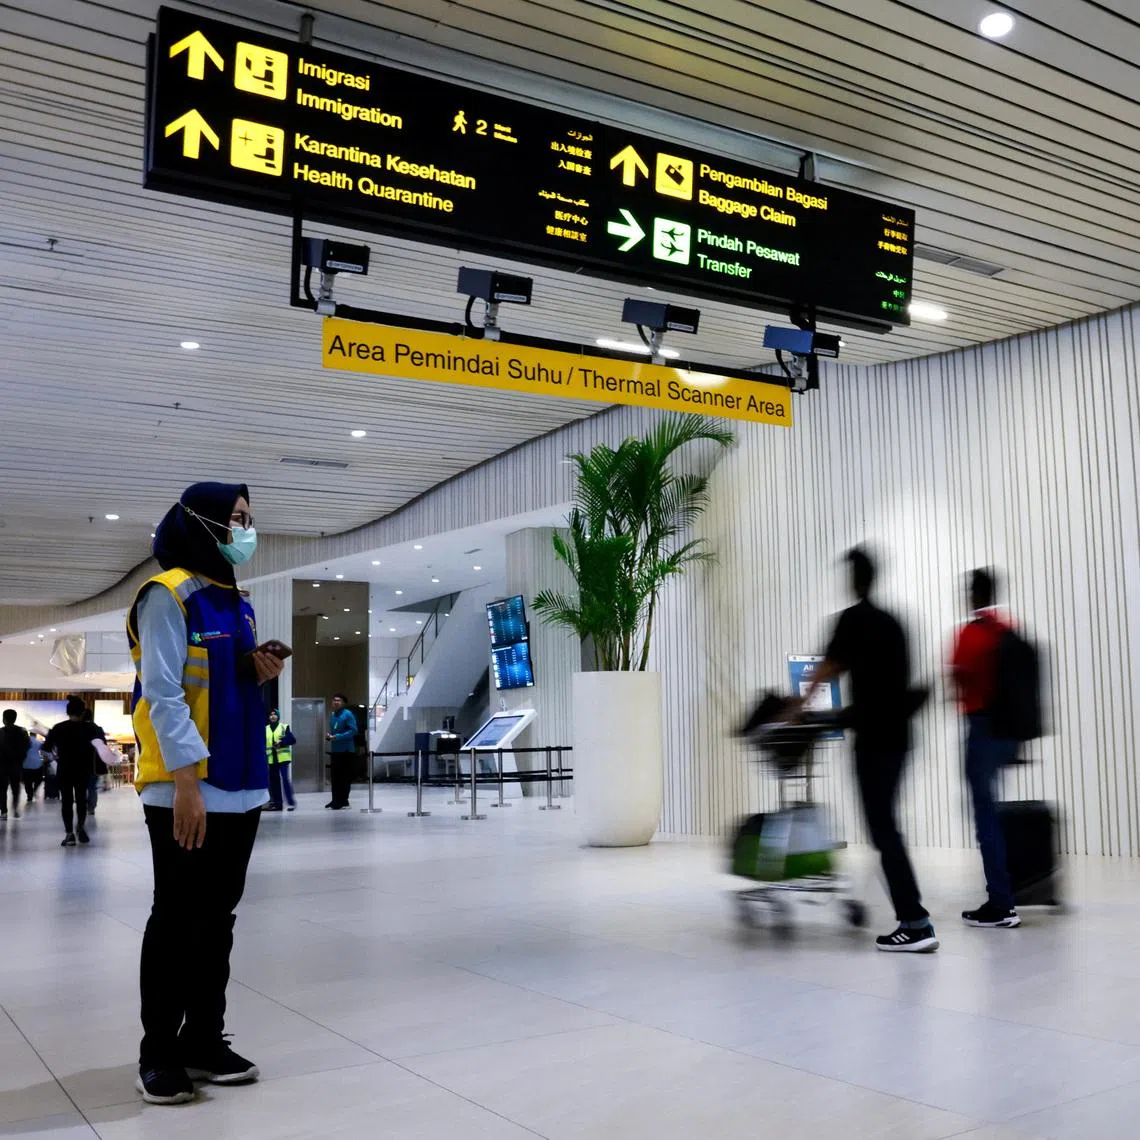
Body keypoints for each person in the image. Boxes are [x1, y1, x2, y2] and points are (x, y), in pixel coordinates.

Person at [128, 481, 283, 1105]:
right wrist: (187, 781)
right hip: (185, 789)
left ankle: (204, 1038)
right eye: (236, 519)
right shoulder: (167, 596)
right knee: (177, 919)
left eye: (249, 518)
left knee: (217, 920)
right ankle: (159, 1052)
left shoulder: (236, 601)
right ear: (200, 524)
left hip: (240, 784)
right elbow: (163, 693)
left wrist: (256, 668)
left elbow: (221, 680)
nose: (246, 529)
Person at [803, 548, 937, 952]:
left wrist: (798, 707)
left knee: (884, 831)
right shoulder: (894, 622)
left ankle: (915, 923)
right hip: (900, 737)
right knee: (887, 828)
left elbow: (827, 668)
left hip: (874, 741)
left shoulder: (852, 620)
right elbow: (890, 683)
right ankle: (915, 918)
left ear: (853, 579)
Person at [950, 568, 1021, 929]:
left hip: (981, 729)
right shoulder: (1009, 629)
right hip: (1008, 733)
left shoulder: (969, 634)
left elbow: (958, 678)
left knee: (985, 819)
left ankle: (1002, 904)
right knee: (994, 815)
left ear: (975, 594)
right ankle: (1005, 895)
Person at [44, 697, 103, 845]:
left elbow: (46, 748)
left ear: (67, 712)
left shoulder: (58, 728)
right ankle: (80, 827)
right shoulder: (92, 729)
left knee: (67, 801)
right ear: (83, 712)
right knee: (81, 799)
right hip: (84, 769)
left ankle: (69, 834)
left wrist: (56, 754)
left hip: (64, 769)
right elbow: (102, 747)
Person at [326, 693, 357, 810]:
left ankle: (343, 800)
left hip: (346, 750)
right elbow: (334, 730)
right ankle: (335, 800)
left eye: (338, 700)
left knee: (344, 777)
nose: (336, 702)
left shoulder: (348, 714)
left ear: (343, 703)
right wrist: (330, 736)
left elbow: (353, 731)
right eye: (334, 700)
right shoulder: (333, 715)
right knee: (335, 777)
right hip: (336, 750)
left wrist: (337, 737)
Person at [265, 709, 297, 812]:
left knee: (285, 780)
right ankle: (278, 804)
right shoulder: (265, 729)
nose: (273, 716)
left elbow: (292, 739)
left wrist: (281, 742)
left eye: (275, 714)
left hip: (283, 759)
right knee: (274, 782)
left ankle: (291, 803)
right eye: (271, 714)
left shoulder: (284, 727)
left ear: (278, 717)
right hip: (271, 759)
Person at [0, 709, 30, 820]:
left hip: (2, 765)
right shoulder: (22, 731)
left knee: (2, 790)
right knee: (15, 788)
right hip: (16, 764)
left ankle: (4, 812)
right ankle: (16, 809)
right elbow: (27, 745)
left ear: (4, 719)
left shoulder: (0, 732)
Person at [23, 731, 46, 803]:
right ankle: (35, 789)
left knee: (27, 782)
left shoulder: (24, 742)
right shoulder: (38, 742)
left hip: (25, 763)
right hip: (37, 763)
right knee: (38, 779)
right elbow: (44, 750)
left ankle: (29, 795)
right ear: (35, 735)